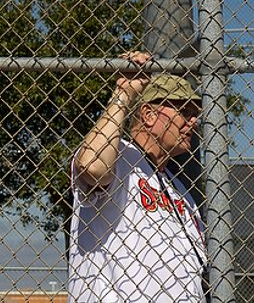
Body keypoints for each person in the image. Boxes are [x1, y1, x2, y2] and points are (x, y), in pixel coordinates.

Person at [68, 51, 207, 302]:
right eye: (184, 111)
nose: (193, 121)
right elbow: (93, 166)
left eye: (195, 113)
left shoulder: (181, 191)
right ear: (149, 115)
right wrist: (124, 93)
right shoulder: (120, 156)